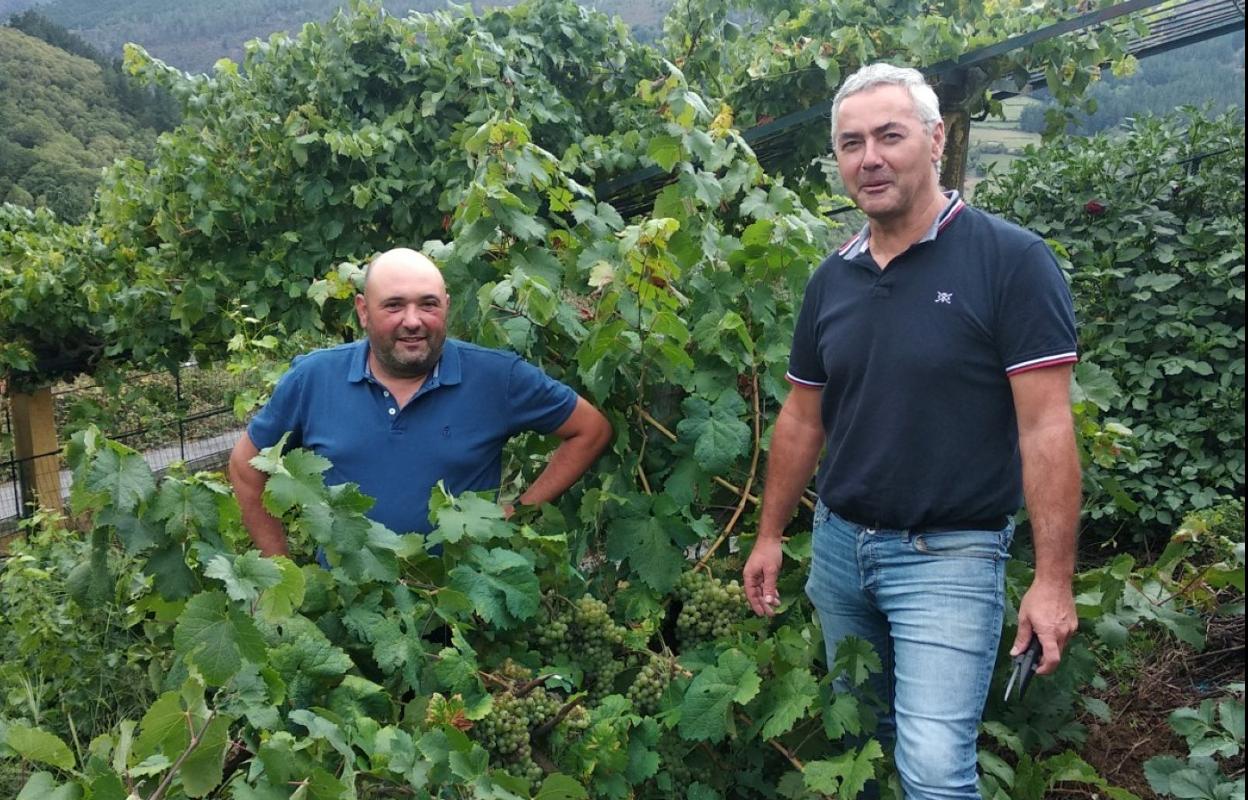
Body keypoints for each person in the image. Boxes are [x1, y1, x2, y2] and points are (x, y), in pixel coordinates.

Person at [743, 63, 1080, 798]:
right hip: (838, 549)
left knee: (931, 766)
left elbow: (1048, 429)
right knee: (856, 741)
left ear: (936, 139)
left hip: (949, 558)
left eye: (889, 136)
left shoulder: (1011, 261)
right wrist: (771, 534)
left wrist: (1054, 582)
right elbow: (803, 418)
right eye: (851, 142)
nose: (870, 158)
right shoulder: (832, 278)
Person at [229, 247, 612, 557]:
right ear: (363, 311)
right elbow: (246, 467)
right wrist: (279, 568)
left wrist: (518, 514)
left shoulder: (497, 378)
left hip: (463, 613)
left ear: (446, 305)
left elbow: (590, 430)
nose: (412, 320)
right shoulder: (313, 379)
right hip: (347, 610)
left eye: (427, 304)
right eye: (393, 305)